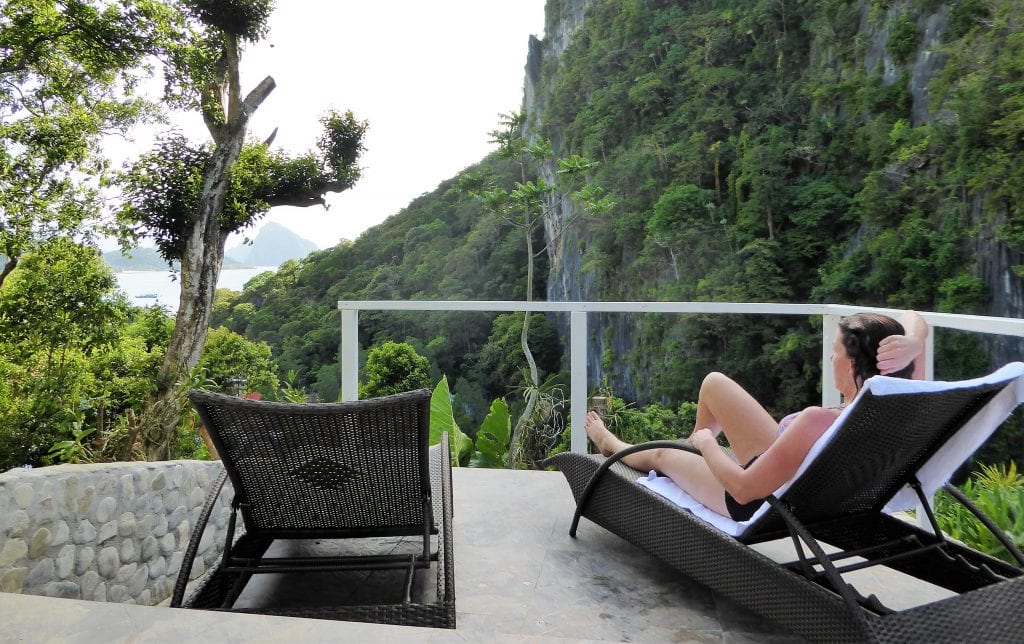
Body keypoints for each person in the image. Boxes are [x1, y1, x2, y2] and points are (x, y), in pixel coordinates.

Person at [584, 311, 930, 522]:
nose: (830, 359)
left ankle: (612, 444)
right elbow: (916, 317)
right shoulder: (905, 398)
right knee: (715, 384)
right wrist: (914, 341)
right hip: (794, 473)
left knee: (665, 454)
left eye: (835, 353)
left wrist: (707, 444)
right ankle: (695, 457)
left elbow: (743, 490)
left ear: (854, 363)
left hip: (759, 499)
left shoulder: (817, 420)